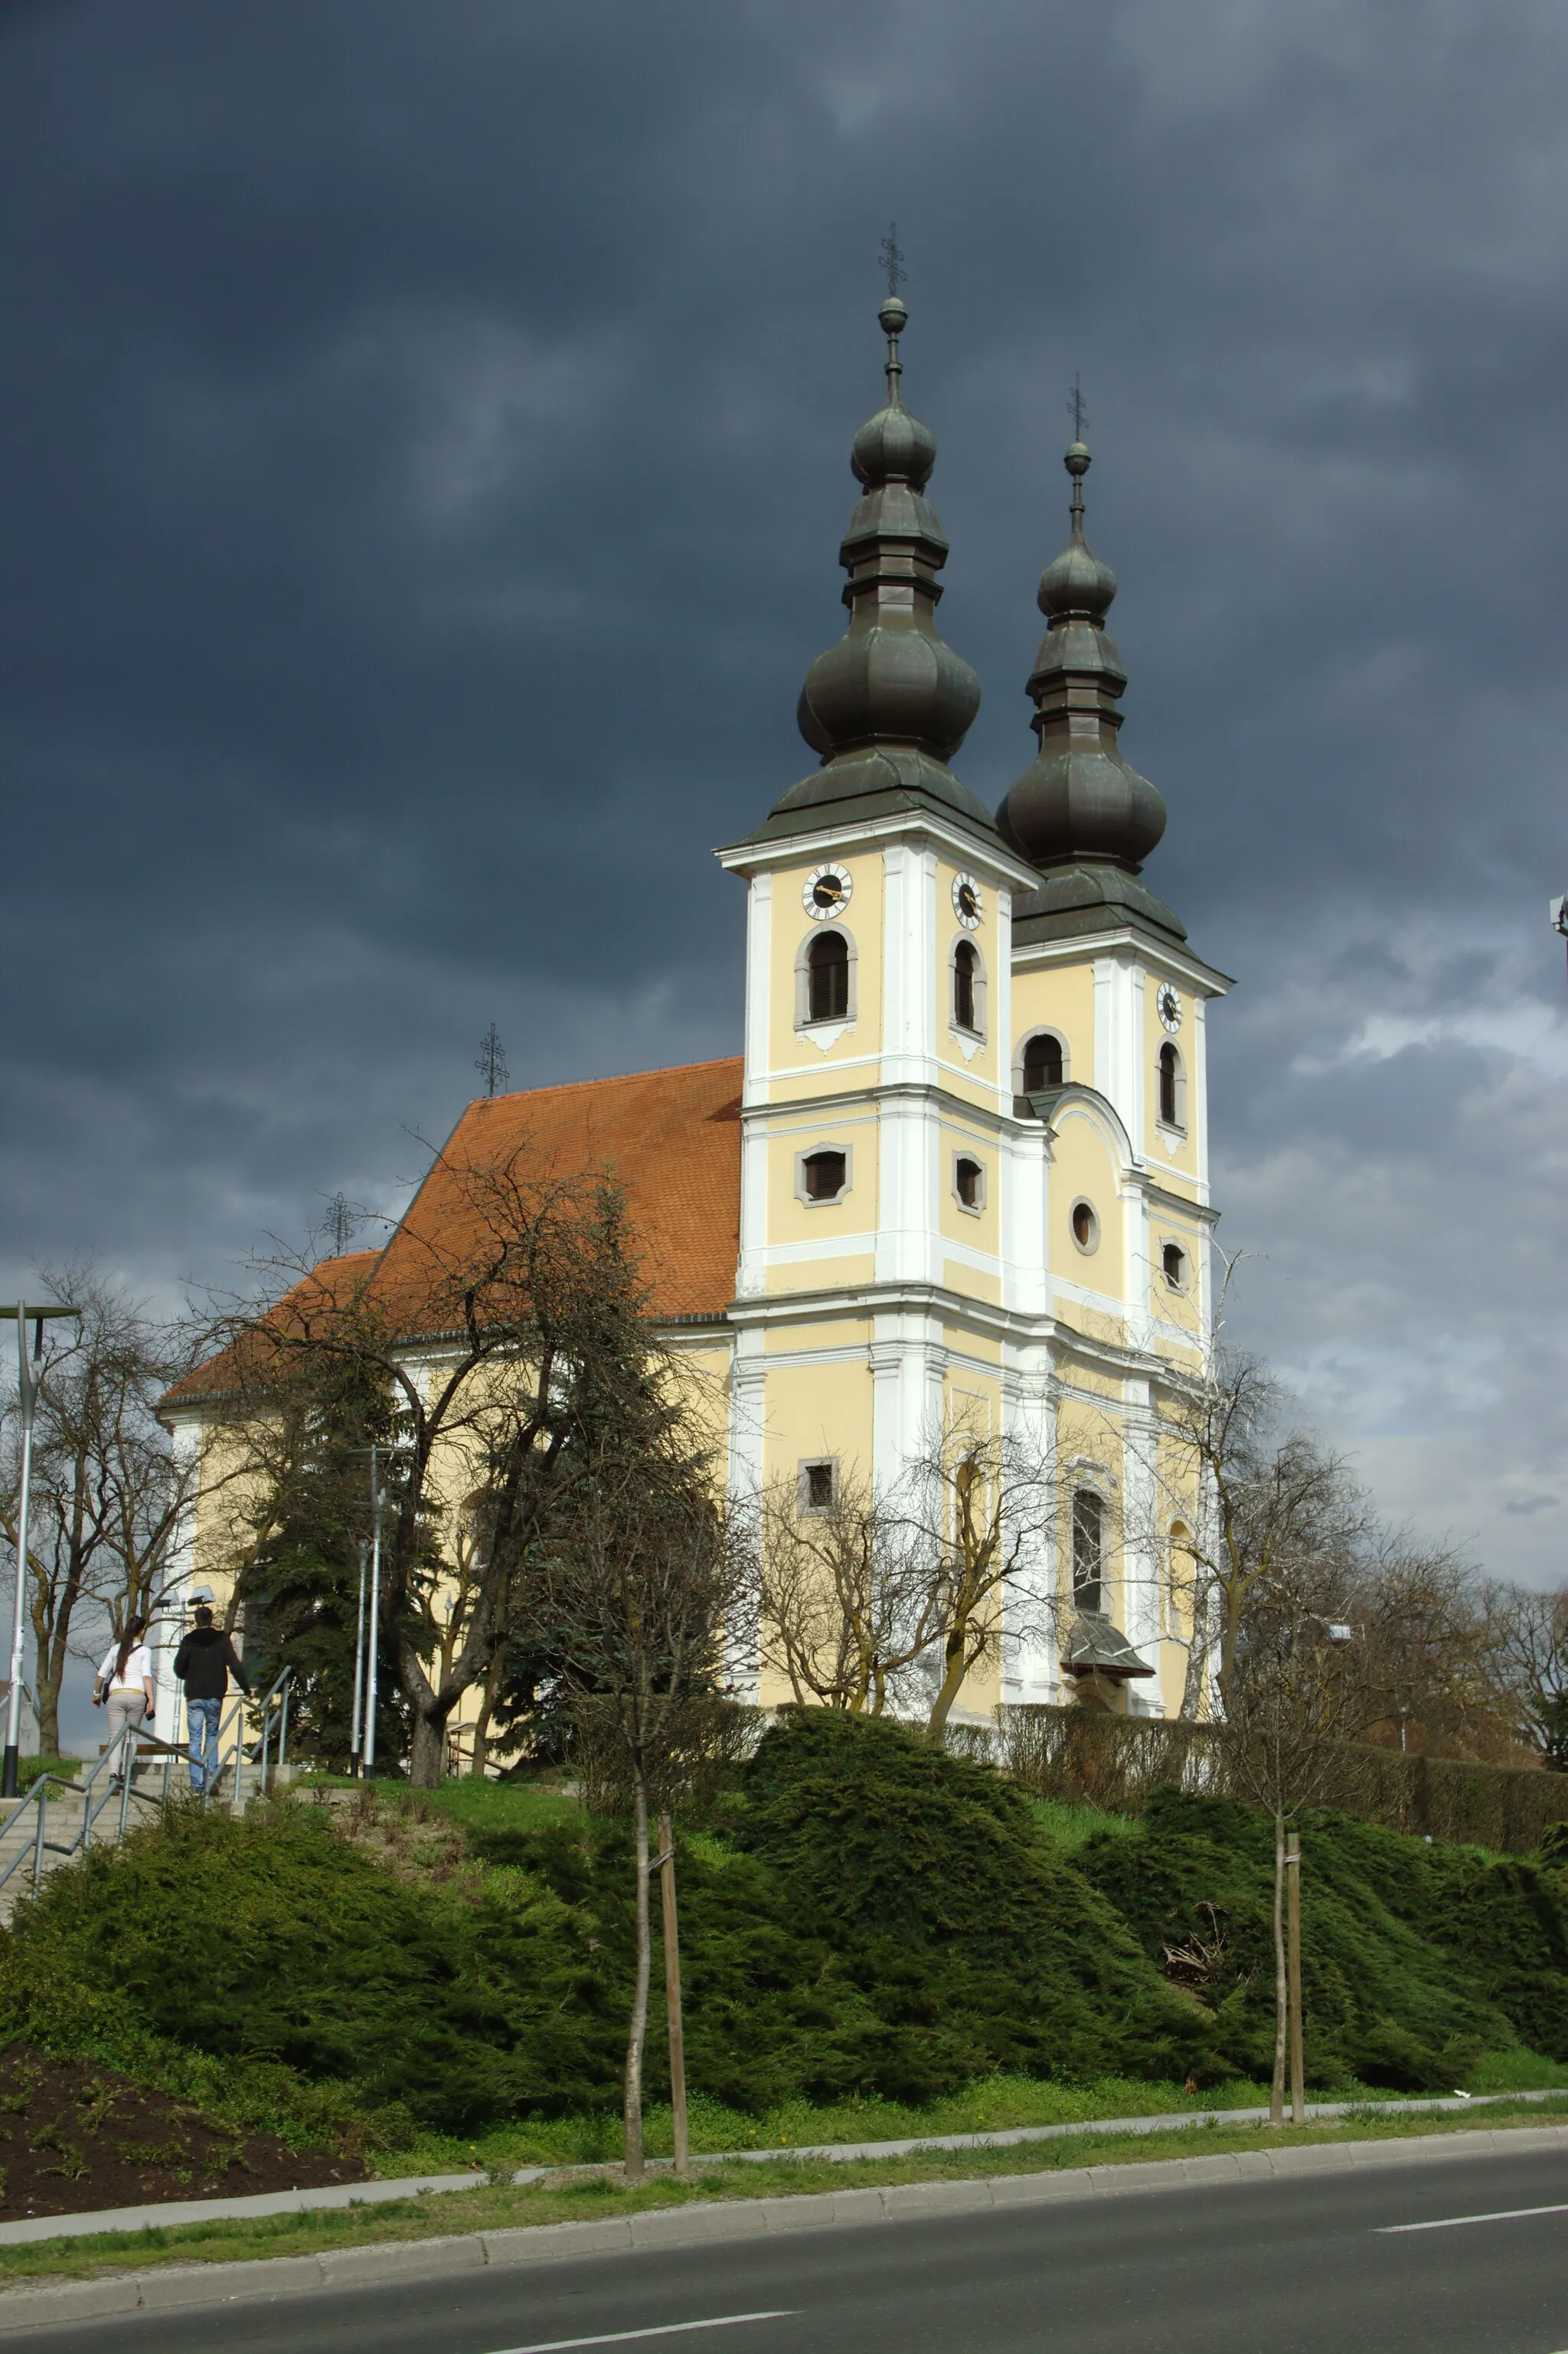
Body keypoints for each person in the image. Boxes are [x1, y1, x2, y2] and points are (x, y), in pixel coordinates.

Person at [173, 1604, 252, 1796]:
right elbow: (235, 1665)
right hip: (215, 1694)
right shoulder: (222, 1640)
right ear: (211, 1619)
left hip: (194, 1696)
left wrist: (188, 1674)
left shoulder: (188, 1641)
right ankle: (212, 1777)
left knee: (194, 1739)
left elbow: (178, 1668)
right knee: (212, 1735)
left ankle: (197, 1783)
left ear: (196, 1621)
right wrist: (245, 1688)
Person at [94, 1618, 155, 1787]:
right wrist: (151, 1699)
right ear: (141, 1631)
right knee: (131, 1736)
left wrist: (97, 1695)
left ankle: (113, 1774)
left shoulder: (115, 1649)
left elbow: (101, 1675)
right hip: (137, 1695)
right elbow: (146, 1676)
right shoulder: (145, 1651)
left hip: (116, 1695)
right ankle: (125, 1774)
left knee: (115, 1736)